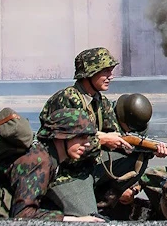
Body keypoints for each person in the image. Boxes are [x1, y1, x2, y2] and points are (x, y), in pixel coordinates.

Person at [39, 47, 133, 215]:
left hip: (88, 163)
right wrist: (102, 140)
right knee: (89, 221)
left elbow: (115, 135)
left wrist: (147, 147)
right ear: (89, 73)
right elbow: (67, 144)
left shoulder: (100, 101)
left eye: (110, 71)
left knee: (138, 156)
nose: (111, 76)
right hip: (66, 172)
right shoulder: (67, 98)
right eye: (105, 71)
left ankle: (102, 200)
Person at [0, 108, 104, 222]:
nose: (87, 144)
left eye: (87, 138)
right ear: (61, 136)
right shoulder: (40, 161)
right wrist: (72, 220)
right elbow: (23, 215)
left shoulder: (47, 154)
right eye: (81, 137)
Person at [95, 93, 167, 219]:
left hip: (111, 181)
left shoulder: (135, 124)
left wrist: (153, 152)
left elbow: (136, 149)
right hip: (90, 171)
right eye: (130, 129)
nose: (132, 133)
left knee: (140, 158)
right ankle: (100, 207)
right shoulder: (103, 116)